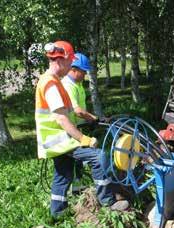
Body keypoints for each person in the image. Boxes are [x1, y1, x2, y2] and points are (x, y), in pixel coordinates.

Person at [35, 41, 129, 216]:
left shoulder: (53, 81)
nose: (71, 65)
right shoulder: (51, 84)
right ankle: (108, 202)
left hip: (56, 140)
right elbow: (62, 118)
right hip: (61, 140)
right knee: (99, 156)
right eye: (70, 61)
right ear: (61, 60)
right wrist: (83, 139)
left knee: (63, 175)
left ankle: (58, 214)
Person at [61, 52, 96, 193]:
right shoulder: (68, 85)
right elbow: (78, 111)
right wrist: (93, 118)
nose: (85, 75)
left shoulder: (77, 84)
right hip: (69, 129)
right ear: (74, 69)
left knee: (78, 160)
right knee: (74, 159)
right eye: (83, 71)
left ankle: (77, 186)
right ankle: (71, 188)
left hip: (77, 127)